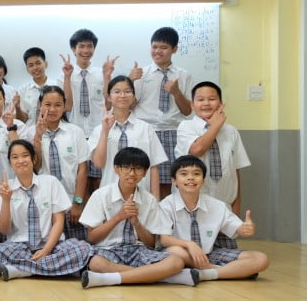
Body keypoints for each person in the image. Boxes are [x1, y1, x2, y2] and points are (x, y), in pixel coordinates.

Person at [78, 147, 198, 288]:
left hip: (138, 250)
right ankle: (159, 276)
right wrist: (118, 217)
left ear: (145, 172)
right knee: (96, 263)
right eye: (126, 168)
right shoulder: (100, 195)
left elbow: (151, 244)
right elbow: (92, 238)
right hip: (108, 249)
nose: (132, 173)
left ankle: (111, 278)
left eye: (138, 169)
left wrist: (136, 223)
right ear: (116, 169)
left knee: (176, 262)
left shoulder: (149, 200)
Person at [0, 140, 92, 281]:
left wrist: (46, 250)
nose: (20, 160)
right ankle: (50, 268)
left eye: (25, 155)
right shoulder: (4, 188)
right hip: (19, 247)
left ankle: (22, 271)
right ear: (10, 163)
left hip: (52, 245)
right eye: (15, 157)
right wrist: (6, 200)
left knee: (82, 248)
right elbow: (4, 230)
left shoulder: (50, 182)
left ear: (34, 159)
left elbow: (58, 222)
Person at [158, 155, 268, 280]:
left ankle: (207, 273)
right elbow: (164, 240)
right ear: (174, 180)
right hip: (183, 254)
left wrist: (245, 229)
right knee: (175, 251)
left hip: (210, 254)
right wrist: (189, 245)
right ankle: (226, 271)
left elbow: (237, 228)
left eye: (196, 174)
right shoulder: (166, 205)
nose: (190, 178)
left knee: (260, 259)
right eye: (184, 174)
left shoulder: (216, 205)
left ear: (203, 180)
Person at [20, 86, 89, 240]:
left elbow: (82, 169)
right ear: (40, 105)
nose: (52, 109)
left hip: (71, 201)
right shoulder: (29, 133)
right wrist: (38, 137)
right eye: (47, 104)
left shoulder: (75, 132)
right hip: (43, 203)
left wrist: (78, 202)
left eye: (58, 105)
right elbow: (35, 168)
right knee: (45, 245)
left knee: (76, 245)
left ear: (64, 107)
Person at [131, 27, 193, 198]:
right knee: (141, 180)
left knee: (168, 183)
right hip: (145, 131)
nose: (158, 51)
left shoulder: (183, 75)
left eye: (163, 47)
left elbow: (187, 111)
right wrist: (130, 80)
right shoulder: (141, 73)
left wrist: (176, 92)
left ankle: (164, 214)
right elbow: (130, 105)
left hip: (172, 132)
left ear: (174, 49)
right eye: (155, 47)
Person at [175, 81, 250, 216]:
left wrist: (236, 209)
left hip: (225, 206)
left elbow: (235, 171)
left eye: (212, 99)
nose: (206, 103)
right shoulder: (186, 126)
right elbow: (197, 150)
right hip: (192, 205)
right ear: (192, 105)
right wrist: (215, 125)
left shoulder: (231, 131)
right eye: (200, 100)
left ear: (220, 104)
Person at [58, 29, 118, 191]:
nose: (86, 50)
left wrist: (107, 77)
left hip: (98, 132)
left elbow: (108, 105)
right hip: (74, 132)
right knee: (80, 179)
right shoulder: (63, 75)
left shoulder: (101, 73)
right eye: (81, 46)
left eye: (89, 46)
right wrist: (67, 77)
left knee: (98, 179)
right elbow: (67, 106)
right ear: (73, 49)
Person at [88, 76, 167, 199]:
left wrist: (155, 200)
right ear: (109, 97)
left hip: (141, 194)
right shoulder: (100, 129)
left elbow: (154, 167)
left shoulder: (145, 128)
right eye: (117, 91)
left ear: (134, 96)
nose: (122, 95)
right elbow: (98, 163)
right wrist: (105, 131)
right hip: (110, 193)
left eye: (127, 91)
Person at [17, 47, 51, 124]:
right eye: (31, 65)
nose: (35, 68)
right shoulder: (23, 90)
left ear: (46, 64)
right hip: (31, 130)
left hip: (53, 130)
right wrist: (17, 107)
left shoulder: (57, 86)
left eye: (38, 63)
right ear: (27, 69)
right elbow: (23, 119)